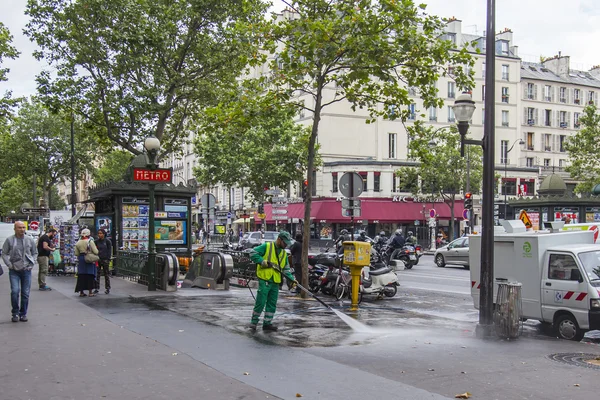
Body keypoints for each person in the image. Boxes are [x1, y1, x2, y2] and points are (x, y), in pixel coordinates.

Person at [248, 231, 296, 332]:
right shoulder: (267, 246)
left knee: (272, 303)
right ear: (279, 239)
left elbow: (286, 269)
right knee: (260, 302)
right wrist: (262, 262)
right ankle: (254, 323)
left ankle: (267, 323)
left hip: (275, 281)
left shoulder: (283, 253)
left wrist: (292, 280)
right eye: (285, 243)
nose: (286, 245)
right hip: (265, 279)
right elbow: (252, 253)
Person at [2, 221, 38, 322]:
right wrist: (9, 265)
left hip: (26, 270)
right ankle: (15, 313)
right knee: (15, 291)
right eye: (19, 228)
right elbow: (4, 253)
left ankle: (23, 313)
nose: (22, 230)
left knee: (25, 293)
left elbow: (35, 252)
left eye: (23, 227)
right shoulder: (9, 240)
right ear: (15, 229)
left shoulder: (29, 240)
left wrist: (32, 263)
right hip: (14, 270)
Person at [74, 228, 99, 297]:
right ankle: (90, 292)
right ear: (89, 234)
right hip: (89, 259)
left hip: (81, 259)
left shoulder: (78, 242)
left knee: (81, 275)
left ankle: (81, 292)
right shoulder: (90, 241)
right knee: (90, 274)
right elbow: (96, 251)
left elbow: (76, 253)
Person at [94, 229, 112, 295]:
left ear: (104, 234)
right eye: (99, 233)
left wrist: (108, 258)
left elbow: (109, 250)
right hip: (98, 259)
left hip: (105, 259)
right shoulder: (96, 241)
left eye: (101, 233)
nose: (99, 235)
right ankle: (96, 287)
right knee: (97, 274)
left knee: (106, 274)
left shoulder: (107, 241)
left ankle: (107, 288)